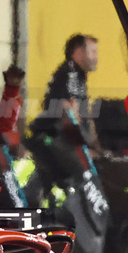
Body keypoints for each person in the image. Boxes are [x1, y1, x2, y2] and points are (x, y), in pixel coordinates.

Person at [26, 34, 100, 192]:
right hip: (56, 139)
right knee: (83, 175)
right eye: (92, 52)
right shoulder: (71, 73)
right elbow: (69, 112)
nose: (96, 58)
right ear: (78, 53)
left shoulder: (77, 75)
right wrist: (84, 148)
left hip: (58, 139)